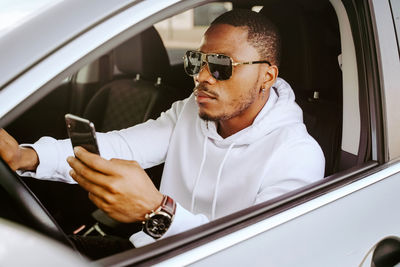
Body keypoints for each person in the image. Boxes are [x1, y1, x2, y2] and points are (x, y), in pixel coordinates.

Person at [0, 9, 324, 257]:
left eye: (221, 66)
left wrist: (156, 210)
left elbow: (258, 256)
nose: (203, 77)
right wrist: (26, 157)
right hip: (153, 253)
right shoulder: (190, 112)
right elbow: (121, 146)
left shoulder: (296, 155)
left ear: (267, 76)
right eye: (197, 61)